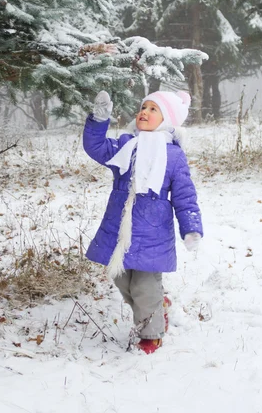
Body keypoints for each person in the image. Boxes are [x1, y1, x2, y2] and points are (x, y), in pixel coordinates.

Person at [83, 90, 203, 354]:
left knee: (144, 286)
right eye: (143, 107)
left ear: (167, 120)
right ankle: (158, 305)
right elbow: (97, 147)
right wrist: (99, 118)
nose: (144, 112)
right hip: (120, 226)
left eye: (153, 109)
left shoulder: (173, 155)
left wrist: (191, 227)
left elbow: (185, 194)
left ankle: (151, 334)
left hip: (153, 232)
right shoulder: (126, 145)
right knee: (121, 279)